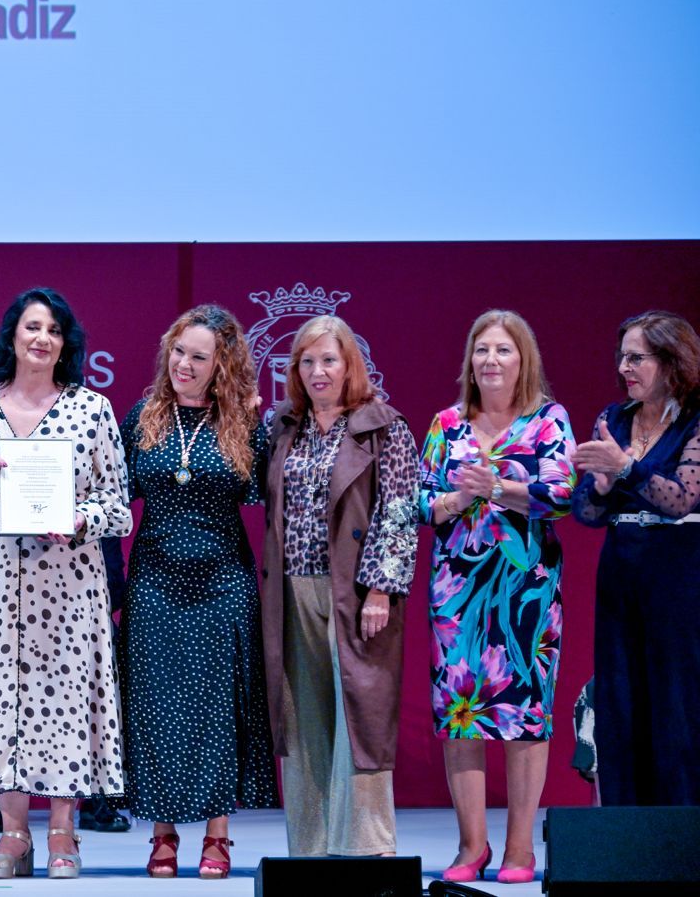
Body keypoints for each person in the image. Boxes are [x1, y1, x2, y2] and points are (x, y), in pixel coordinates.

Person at [0, 287, 133, 881]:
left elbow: (118, 505)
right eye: (32, 327)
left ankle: (64, 832)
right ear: (12, 337)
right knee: (2, 701)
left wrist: (80, 519)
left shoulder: (92, 410)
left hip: (69, 584)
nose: (42, 338)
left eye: (53, 330)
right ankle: (14, 836)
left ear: (66, 344)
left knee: (67, 700)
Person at [416, 310, 576, 884]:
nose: (491, 360)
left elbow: (564, 496)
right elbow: (419, 502)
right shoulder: (447, 423)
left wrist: (499, 488)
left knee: (524, 714)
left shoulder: (548, 420)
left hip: (526, 593)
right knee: (461, 715)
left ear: (523, 359)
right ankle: (470, 847)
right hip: (456, 592)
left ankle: (520, 850)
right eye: (481, 350)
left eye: (503, 350)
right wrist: (459, 499)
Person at [119, 305, 278, 880]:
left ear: (221, 365)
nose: (183, 364)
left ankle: (217, 833)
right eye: (178, 351)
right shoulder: (143, 417)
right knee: (156, 706)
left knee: (216, 709)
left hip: (222, 583)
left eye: (198, 356)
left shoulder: (243, 423)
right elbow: (111, 495)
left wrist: (263, 426)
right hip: (155, 583)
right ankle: (162, 834)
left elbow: (268, 494)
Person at [260, 314, 418, 858]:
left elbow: (398, 511)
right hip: (292, 589)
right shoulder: (284, 427)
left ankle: (368, 845)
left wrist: (381, 589)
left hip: (355, 592)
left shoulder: (383, 426)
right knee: (304, 720)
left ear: (350, 364)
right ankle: (310, 848)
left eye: (328, 360)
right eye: (307, 361)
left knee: (359, 718)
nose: (318, 371)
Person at [571, 310, 700, 806]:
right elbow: (586, 512)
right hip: (621, 572)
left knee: (676, 700)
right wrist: (602, 487)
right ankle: (627, 828)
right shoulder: (616, 419)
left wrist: (626, 467)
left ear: (671, 361)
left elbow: (681, 499)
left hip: (678, 576)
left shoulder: (694, 418)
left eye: (636, 358)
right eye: (622, 357)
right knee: (621, 698)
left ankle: (681, 828)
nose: (624, 367)